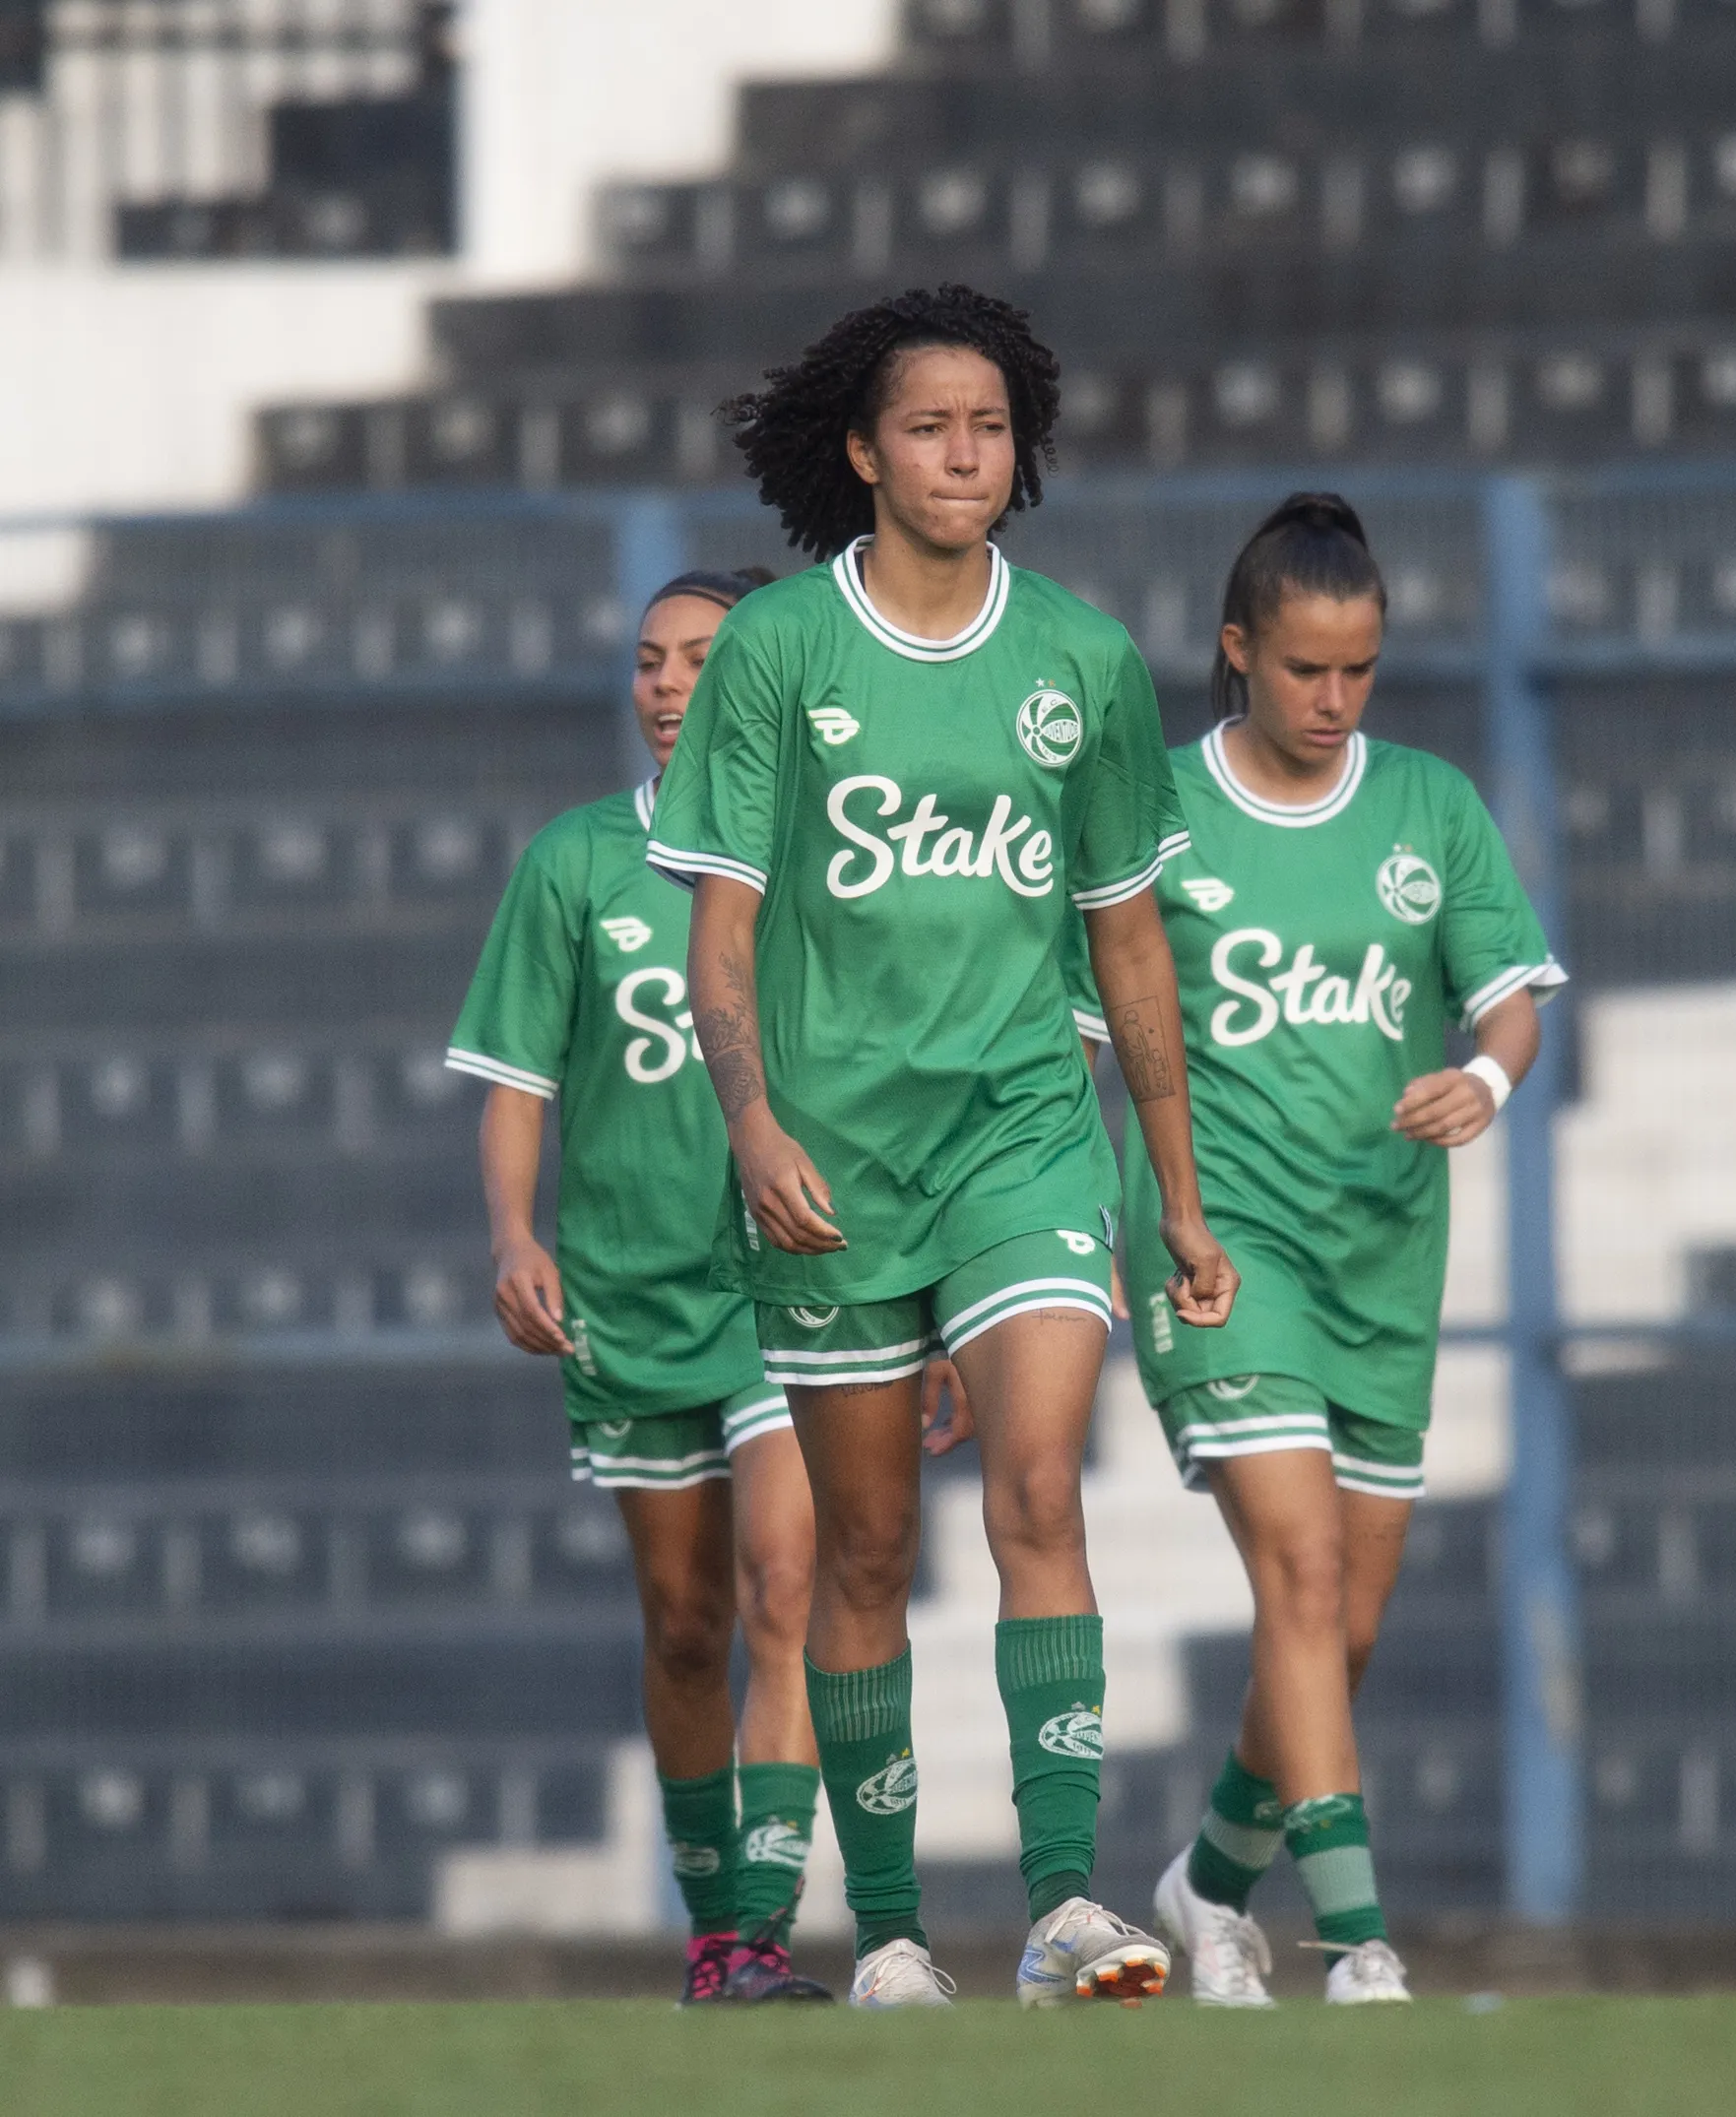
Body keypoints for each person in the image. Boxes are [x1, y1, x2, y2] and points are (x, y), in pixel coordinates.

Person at [649, 283, 1239, 2011]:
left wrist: (1173, 1195)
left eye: (988, 425)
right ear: (864, 449)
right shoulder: (779, 654)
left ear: (1021, 447)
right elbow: (725, 930)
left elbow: (1130, 940)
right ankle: (894, 1929)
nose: (962, 452)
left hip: (1024, 1136)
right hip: (831, 1160)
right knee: (863, 1551)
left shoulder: (1080, 660)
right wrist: (750, 1117)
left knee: (1045, 1484)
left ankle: (1064, 1906)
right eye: (928, 425)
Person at [1099, 494, 1561, 2006]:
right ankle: (1361, 1942)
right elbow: (1078, 1033)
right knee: (1294, 1571)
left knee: (1340, 1631)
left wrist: (1484, 1078)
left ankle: (1208, 1882)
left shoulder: (1428, 807)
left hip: (1383, 1261)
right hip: (1223, 1249)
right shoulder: (1152, 816)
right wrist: (1136, 1219)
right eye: (1305, 668)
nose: (1334, 698)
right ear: (1238, 651)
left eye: (1359, 670)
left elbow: (1510, 1002)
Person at [447, 565, 832, 2007]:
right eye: (648, 661)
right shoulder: (575, 863)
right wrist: (512, 1235)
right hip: (629, 1289)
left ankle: (767, 1931)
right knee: (685, 1622)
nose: (668, 684)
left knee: (785, 1581)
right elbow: (516, 1085)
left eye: (698, 658)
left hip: (788, 1284)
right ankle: (710, 1926)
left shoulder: (820, 857)